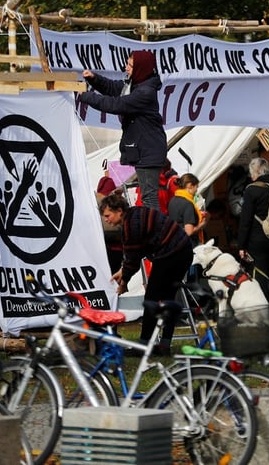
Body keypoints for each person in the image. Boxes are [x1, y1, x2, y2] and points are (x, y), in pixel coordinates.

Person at [101, 193, 193, 354]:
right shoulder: (135, 213)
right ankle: (164, 344)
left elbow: (132, 260)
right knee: (168, 298)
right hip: (183, 250)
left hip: (172, 253)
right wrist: (123, 271)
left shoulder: (130, 226)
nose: (106, 219)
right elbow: (138, 251)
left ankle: (143, 346)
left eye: (108, 215)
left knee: (151, 298)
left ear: (119, 211)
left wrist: (123, 283)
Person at [78, 50, 167, 209]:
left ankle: (154, 231)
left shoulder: (144, 92)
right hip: (144, 149)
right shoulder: (135, 84)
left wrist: (85, 96)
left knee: (149, 198)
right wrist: (94, 79)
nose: (126, 68)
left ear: (141, 68)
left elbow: (115, 104)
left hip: (148, 150)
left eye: (130, 65)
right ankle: (152, 229)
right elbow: (113, 88)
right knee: (147, 197)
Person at [237, 157, 269, 316]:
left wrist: (241, 246)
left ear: (256, 172)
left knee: (260, 275)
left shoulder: (252, 189)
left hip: (257, 240)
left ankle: (264, 312)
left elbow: (245, 220)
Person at [167, 173, 208, 246]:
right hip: (190, 245)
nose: (196, 191)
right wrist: (202, 224)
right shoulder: (188, 204)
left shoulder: (172, 200)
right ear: (190, 186)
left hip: (176, 242)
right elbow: (189, 231)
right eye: (196, 187)